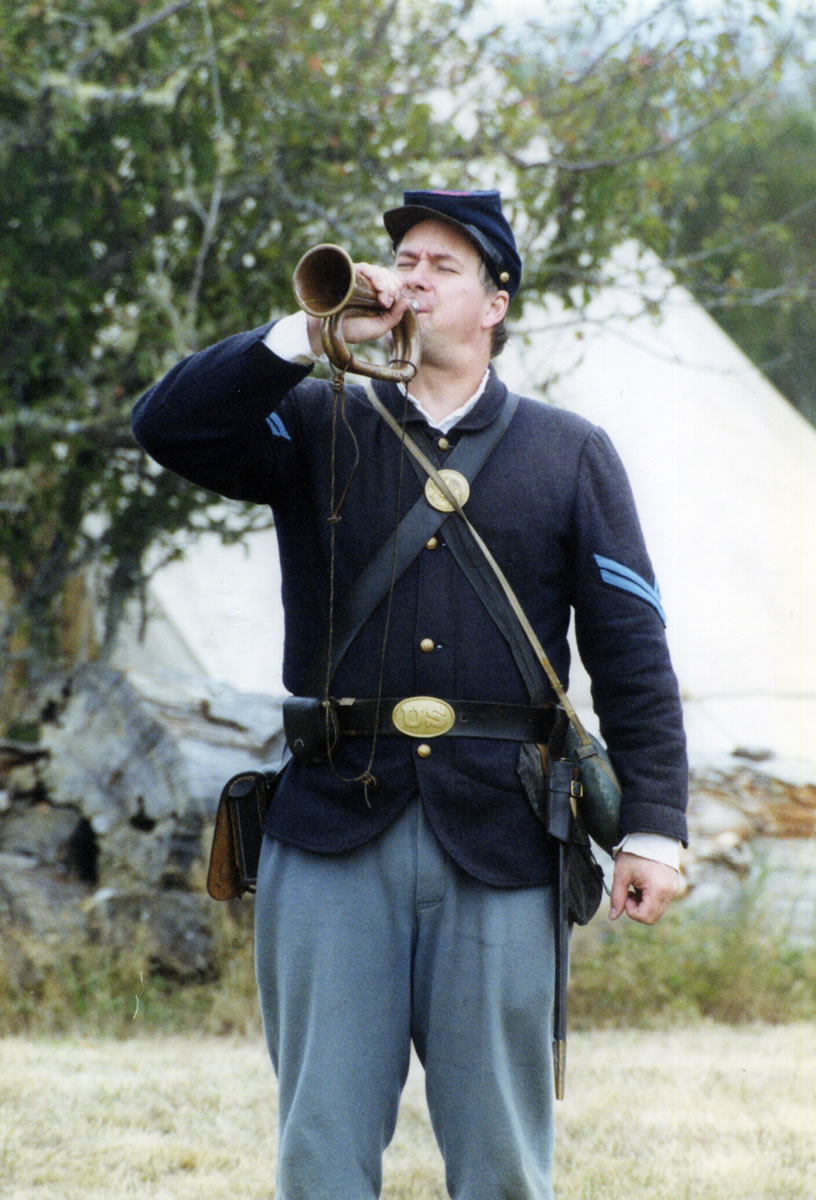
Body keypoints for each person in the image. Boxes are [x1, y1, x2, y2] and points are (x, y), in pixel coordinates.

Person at [132, 188, 688, 1200]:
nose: (413, 277)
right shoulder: (311, 416)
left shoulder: (572, 453)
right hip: (333, 820)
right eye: (405, 259)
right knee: (322, 1146)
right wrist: (306, 334)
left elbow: (633, 653)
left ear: (496, 305)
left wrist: (654, 826)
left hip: (505, 833)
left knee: (503, 1157)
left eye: (444, 266)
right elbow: (167, 424)